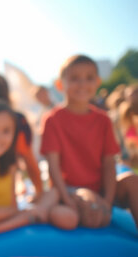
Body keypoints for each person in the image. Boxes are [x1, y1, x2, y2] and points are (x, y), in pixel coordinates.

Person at [41, 54, 138, 229]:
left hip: (101, 188)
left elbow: (109, 163)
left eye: (89, 78)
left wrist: (108, 201)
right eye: (75, 78)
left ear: (97, 82)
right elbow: (53, 166)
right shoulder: (52, 119)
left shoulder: (103, 120)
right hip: (70, 190)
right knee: (94, 214)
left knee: (132, 180)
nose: (83, 84)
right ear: (60, 84)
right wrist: (66, 198)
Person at [0, 99, 75, 234]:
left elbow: (12, 205)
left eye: (6, 131)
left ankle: (37, 214)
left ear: (14, 135)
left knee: (56, 197)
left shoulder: (9, 165)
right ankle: (30, 217)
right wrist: (24, 212)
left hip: (8, 215)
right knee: (64, 217)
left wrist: (25, 209)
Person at [0, 71, 44, 197]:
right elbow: (29, 161)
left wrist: (39, 193)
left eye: (6, 131)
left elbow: (29, 161)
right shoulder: (19, 120)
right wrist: (39, 193)